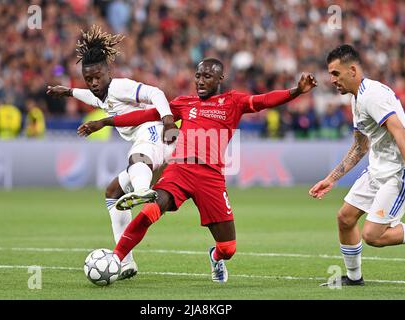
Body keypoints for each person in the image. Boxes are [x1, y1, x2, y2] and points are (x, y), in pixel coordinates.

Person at [78, 58, 317, 282]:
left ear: (220, 79)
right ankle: (116, 258)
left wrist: (295, 91)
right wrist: (104, 122)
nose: (201, 81)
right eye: (198, 76)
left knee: (228, 248)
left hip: (211, 178)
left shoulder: (233, 102)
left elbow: (264, 100)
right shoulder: (184, 103)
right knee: (151, 207)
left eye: (207, 77)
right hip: (180, 169)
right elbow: (146, 114)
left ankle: (215, 257)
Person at [46, 25, 177, 280]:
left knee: (137, 158)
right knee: (113, 193)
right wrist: (70, 91)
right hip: (148, 143)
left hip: (154, 132)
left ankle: (142, 192)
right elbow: (93, 99)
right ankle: (125, 261)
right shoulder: (103, 94)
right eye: (89, 79)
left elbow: (155, 92)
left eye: (98, 77)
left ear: (109, 71)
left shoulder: (119, 87)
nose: (94, 83)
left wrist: (169, 120)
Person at [309, 44, 405, 286]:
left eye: (335, 73)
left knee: (374, 236)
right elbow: (360, 146)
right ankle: (354, 278)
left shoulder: (373, 96)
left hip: (396, 173)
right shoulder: (358, 98)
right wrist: (331, 178)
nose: (332, 80)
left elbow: (401, 133)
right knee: (345, 217)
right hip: (377, 170)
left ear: (352, 70)